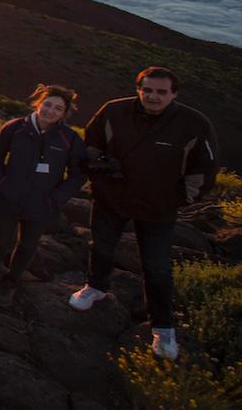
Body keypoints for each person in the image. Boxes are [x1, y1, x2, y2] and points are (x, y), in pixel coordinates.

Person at [68, 67, 219, 361]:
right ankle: (95, 286)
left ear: (174, 94)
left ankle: (163, 327)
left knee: (157, 267)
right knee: (100, 245)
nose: (153, 96)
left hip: (158, 209)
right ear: (138, 89)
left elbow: (206, 169)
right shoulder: (114, 111)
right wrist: (100, 174)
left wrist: (179, 199)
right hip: (112, 199)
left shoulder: (194, 123)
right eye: (147, 90)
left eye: (161, 92)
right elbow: (91, 143)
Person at [0, 84, 88, 306]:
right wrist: (1, 183)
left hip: (42, 203)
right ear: (38, 103)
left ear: (65, 113)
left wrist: (56, 198)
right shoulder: (16, 128)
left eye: (58, 108)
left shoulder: (69, 139)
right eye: (47, 104)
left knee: (28, 244)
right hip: (9, 197)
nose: (50, 111)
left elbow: (78, 173)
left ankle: (11, 282)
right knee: (0, 239)